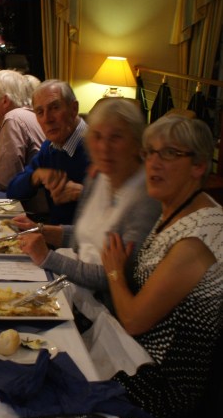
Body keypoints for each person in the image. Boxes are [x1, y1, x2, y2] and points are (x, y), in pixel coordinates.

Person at [101, 115, 223, 418]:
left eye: (169, 153)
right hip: (136, 360)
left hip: (164, 391)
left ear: (199, 166)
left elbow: (133, 321)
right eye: (150, 152)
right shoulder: (174, 210)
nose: (153, 162)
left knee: (57, 398)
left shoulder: (198, 237)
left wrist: (114, 272)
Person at [16, 98, 160, 304]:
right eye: (98, 136)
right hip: (74, 290)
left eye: (116, 137)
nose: (104, 147)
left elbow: (113, 277)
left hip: (104, 308)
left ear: (136, 143)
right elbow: (84, 238)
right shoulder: (99, 177)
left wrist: (47, 257)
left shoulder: (146, 198)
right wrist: (40, 230)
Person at [6, 79, 90, 224]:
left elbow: (121, 209)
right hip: (53, 234)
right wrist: (35, 176)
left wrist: (83, 194)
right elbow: (12, 190)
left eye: (55, 108)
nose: (47, 119)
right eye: (40, 112)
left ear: (74, 109)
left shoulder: (98, 147)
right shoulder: (50, 146)